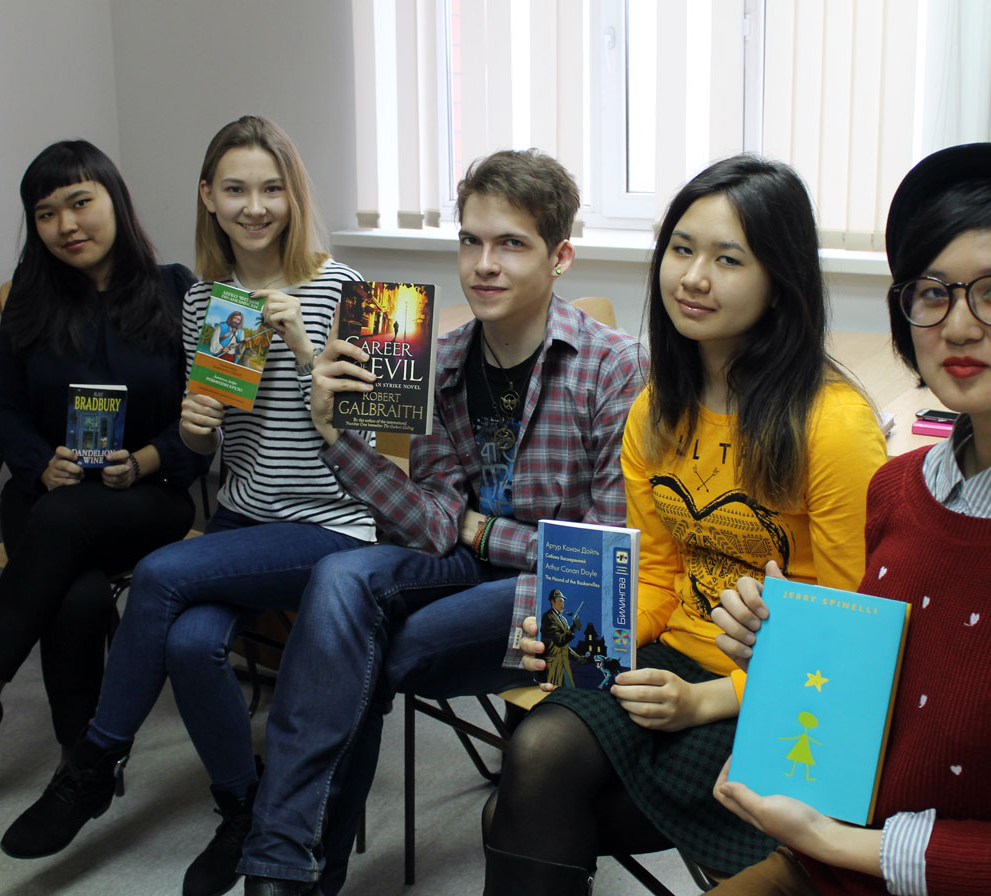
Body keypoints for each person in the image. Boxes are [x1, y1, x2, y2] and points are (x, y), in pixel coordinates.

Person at [710, 143, 991, 895]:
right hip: (828, 864)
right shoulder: (899, 487)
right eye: (932, 293)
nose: (956, 326)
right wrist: (789, 658)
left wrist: (839, 843)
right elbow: (898, 706)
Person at [235, 149, 647, 896]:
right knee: (340, 576)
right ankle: (281, 872)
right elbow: (430, 524)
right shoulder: (443, 358)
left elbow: (603, 552)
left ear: (559, 257)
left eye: (511, 244)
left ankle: (291, 874)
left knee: (364, 652)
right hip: (463, 565)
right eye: (470, 241)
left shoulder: (613, 366)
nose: (483, 264)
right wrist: (335, 434)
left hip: (563, 597)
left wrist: (481, 532)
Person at [485, 155, 889, 895]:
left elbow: (846, 634)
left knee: (529, 804)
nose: (693, 278)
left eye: (728, 259)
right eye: (682, 249)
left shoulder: (831, 426)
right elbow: (658, 576)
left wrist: (709, 698)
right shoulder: (655, 409)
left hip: (784, 690)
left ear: (779, 280)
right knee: (535, 752)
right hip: (673, 661)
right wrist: (581, 631)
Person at [0, 116, 375, 896]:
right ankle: (242, 808)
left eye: (271, 189)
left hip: (332, 525)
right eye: (235, 189)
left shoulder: (347, 290)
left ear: (294, 195)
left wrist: (305, 354)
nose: (254, 207)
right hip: (244, 515)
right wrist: (197, 426)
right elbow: (207, 445)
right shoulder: (207, 300)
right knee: (188, 642)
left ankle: (93, 760)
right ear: (208, 197)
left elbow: (370, 447)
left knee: (161, 575)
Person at [0, 140, 206, 761]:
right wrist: (40, 465)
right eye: (46, 214)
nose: (66, 225)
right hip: (48, 494)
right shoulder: (30, 298)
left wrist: (144, 461)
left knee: (61, 524)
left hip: (147, 500)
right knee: (79, 593)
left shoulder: (177, 292)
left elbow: (202, 420)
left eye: (79, 203)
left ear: (115, 201)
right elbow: (6, 408)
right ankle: (83, 757)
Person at [542, 589, 583, 688]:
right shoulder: (548, 617)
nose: (562, 604)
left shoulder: (563, 620)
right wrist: (573, 628)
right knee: (553, 691)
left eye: (563, 601)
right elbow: (559, 641)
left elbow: (565, 645)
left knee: (570, 691)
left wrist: (578, 658)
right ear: (552, 602)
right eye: (560, 601)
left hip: (564, 663)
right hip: (554, 664)